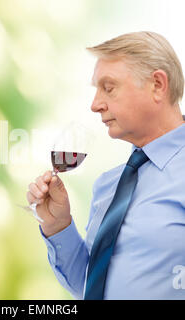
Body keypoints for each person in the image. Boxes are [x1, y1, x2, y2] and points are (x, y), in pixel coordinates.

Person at [26, 31, 185, 300]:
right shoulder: (108, 186)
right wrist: (59, 226)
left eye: (108, 88)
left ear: (157, 85)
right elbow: (90, 287)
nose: (95, 104)